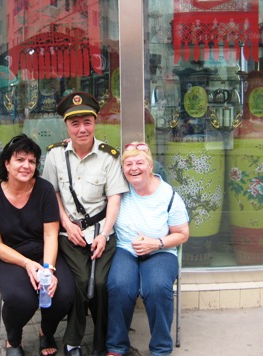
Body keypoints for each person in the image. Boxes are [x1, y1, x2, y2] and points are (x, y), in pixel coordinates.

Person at [43, 92, 129, 356]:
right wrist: (67, 226)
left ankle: (103, 342)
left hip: (101, 232)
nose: (82, 129)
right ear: (66, 126)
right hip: (69, 234)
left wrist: (104, 235)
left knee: (102, 284)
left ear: (95, 122)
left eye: (87, 122)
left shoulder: (109, 156)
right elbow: (52, 194)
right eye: (75, 123)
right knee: (81, 281)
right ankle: (73, 341)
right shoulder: (55, 155)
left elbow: (114, 198)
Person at [0, 134, 75, 356]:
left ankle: (47, 331)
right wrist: (26, 264)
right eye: (20, 159)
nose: (26, 166)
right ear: (7, 163)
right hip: (10, 258)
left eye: (32, 161)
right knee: (21, 300)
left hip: (45, 253)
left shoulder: (44, 190)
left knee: (63, 295)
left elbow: (51, 236)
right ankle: (13, 341)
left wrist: (48, 270)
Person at [106, 142, 190, 356]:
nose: (134, 168)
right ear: (123, 169)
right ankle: (116, 346)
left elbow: (182, 234)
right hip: (126, 248)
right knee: (119, 285)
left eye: (139, 162)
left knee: (157, 287)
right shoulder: (121, 191)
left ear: (150, 166)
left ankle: (161, 348)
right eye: (128, 164)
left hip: (160, 250)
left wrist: (156, 243)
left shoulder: (169, 196)